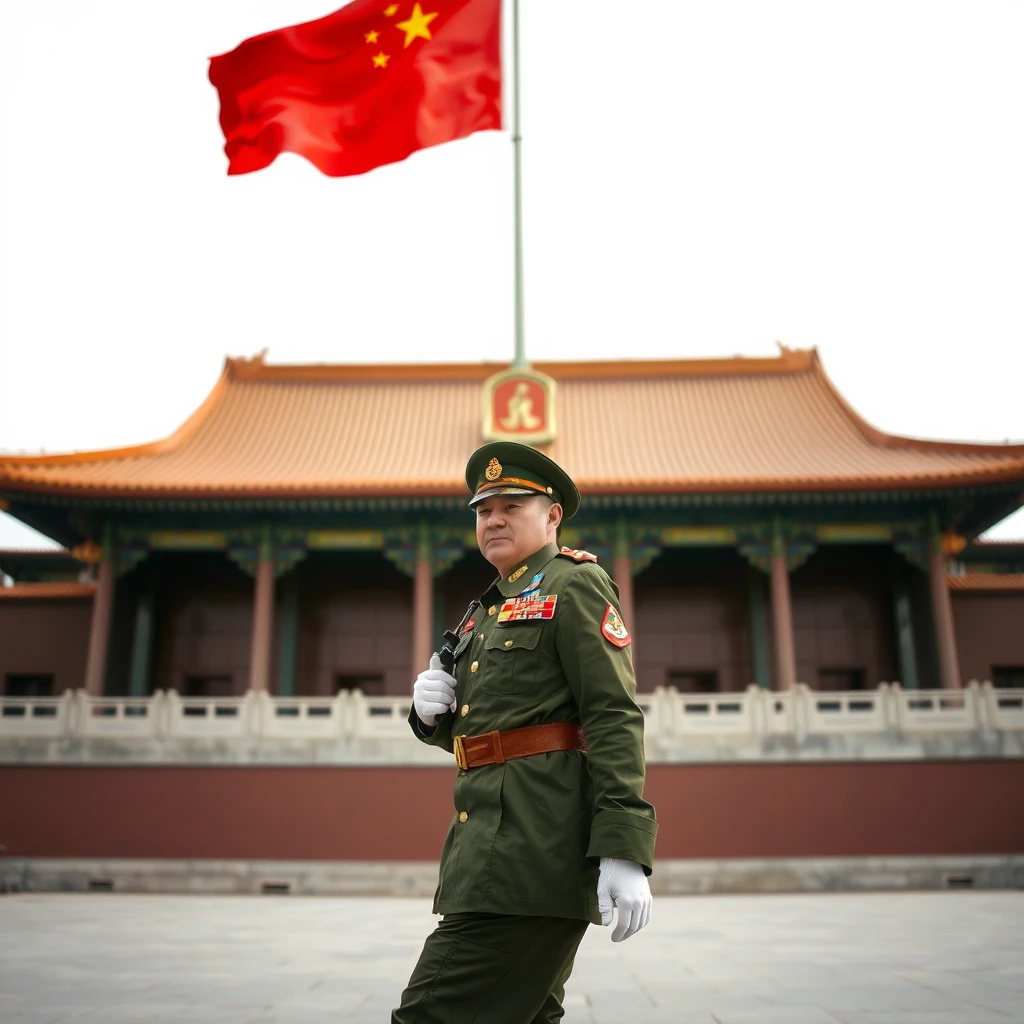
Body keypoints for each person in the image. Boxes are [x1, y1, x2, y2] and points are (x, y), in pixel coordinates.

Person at [392, 442, 658, 1024]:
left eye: (512, 505)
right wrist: (431, 718)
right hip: (484, 854)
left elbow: (611, 714)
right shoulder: (485, 610)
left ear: (553, 514)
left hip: (533, 855)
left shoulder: (574, 586)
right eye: (484, 510)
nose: (494, 520)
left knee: (430, 1016)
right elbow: (501, 730)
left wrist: (623, 844)